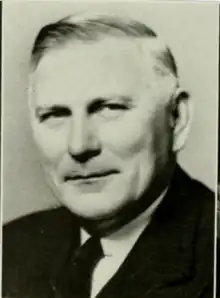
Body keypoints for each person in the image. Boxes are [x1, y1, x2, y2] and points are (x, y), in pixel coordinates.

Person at [2, 11, 214, 298]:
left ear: (176, 118)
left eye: (108, 108)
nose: (79, 146)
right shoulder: (10, 248)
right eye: (55, 114)